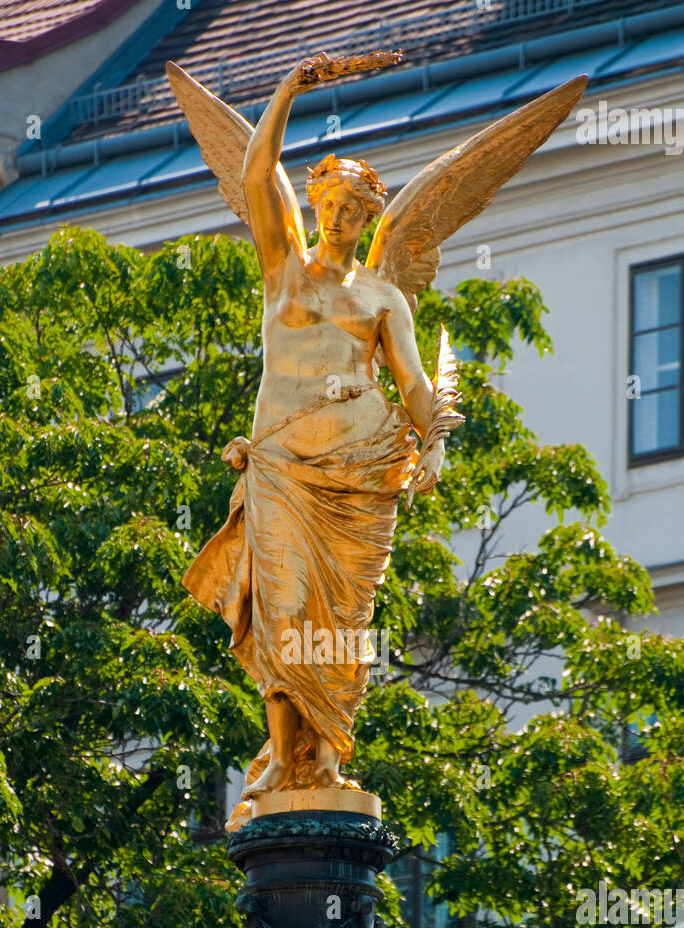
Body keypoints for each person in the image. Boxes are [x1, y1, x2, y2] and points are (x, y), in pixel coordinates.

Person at [182, 55, 447, 810]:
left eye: (354, 212)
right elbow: (258, 170)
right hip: (281, 469)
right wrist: (287, 87)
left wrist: (435, 441)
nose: (339, 219)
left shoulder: (382, 295)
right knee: (283, 605)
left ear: (368, 219)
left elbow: (414, 384)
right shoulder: (284, 270)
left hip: (358, 472)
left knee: (343, 620)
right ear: (316, 203)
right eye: (329, 204)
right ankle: (278, 756)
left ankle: (325, 755)